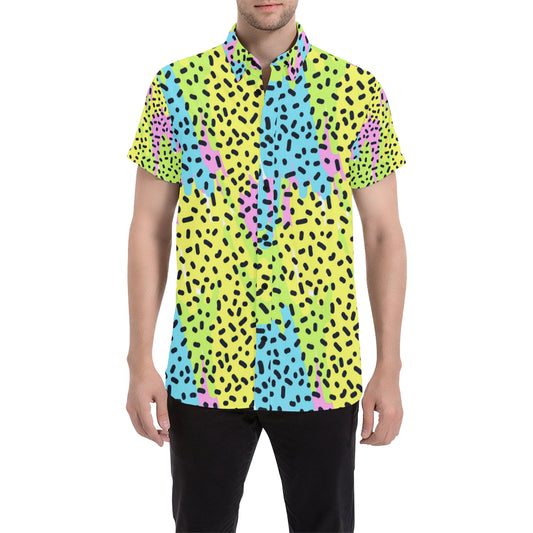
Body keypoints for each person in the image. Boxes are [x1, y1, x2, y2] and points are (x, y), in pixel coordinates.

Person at [125, 1, 406, 531]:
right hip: (205, 366)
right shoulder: (176, 87)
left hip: (321, 368)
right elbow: (149, 228)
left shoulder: (357, 91)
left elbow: (384, 233)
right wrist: (139, 360)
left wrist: (388, 367)